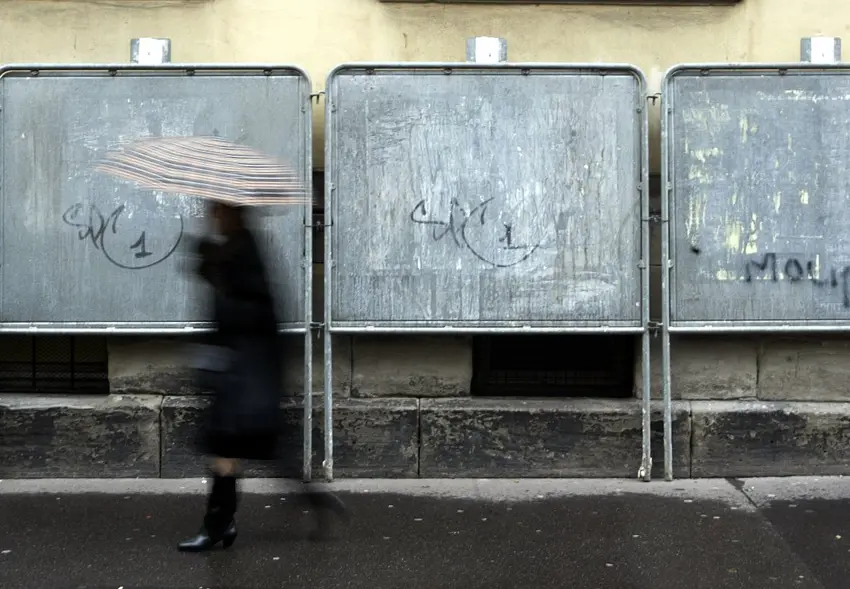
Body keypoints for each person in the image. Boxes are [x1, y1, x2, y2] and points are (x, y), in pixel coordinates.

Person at [178, 201, 346, 552]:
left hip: (246, 377)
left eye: (217, 211)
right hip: (238, 374)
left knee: (234, 448)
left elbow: (250, 314)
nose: (212, 217)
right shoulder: (236, 249)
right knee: (239, 450)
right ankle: (226, 523)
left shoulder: (244, 253)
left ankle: (220, 525)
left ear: (232, 213)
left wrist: (214, 270)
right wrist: (211, 269)